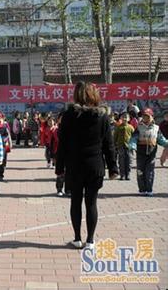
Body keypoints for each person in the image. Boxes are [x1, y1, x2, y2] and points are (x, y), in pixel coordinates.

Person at [55, 81, 118, 249]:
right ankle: (90, 240)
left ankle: (77, 239)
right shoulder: (102, 116)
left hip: (75, 165)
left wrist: (59, 167)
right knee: (91, 202)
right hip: (95, 165)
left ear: (77, 95)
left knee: (75, 201)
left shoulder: (69, 115)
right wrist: (113, 168)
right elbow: (108, 144)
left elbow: (62, 144)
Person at [129, 108, 168, 196]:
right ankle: (142, 190)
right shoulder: (139, 127)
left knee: (149, 172)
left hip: (152, 154)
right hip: (140, 153)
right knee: (140, 171)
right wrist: (132, 145)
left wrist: (166, 143)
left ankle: (149, 189)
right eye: (144, 116)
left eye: (147, 116)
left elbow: (161, 139)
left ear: (152, 117)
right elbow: (134, 138)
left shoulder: (156, 128)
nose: (145, 118)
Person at [114, 113, 134, 181]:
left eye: (126, 117)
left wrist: (134, 145)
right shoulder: (118, 127)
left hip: (129, 147)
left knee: (129, 160)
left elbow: (134, 137)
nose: (125, 118)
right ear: (121, 119)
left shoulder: (131, 127)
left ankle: (128, 174)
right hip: (120, 146)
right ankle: (122, 175)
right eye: (123, 117)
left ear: (129, 119)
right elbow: (115, 137)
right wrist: (114, 145)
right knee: (121, 161)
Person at [51, 114, 66, 197]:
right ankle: (59, 189)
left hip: (68, 153)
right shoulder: (55, 130)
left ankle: (68, 189)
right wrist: (52, 155)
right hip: (58, 153)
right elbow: (52, 143)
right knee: (60, 172)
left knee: (68, 172)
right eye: (61, 119)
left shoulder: (70, 129)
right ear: (58, 120)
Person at [0, 112, 12, 182]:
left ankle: (0, 175)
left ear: (0, 118)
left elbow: (7, 135)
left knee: (2, 161)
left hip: (2, 146)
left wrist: (2, 139)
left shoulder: (4, 127)